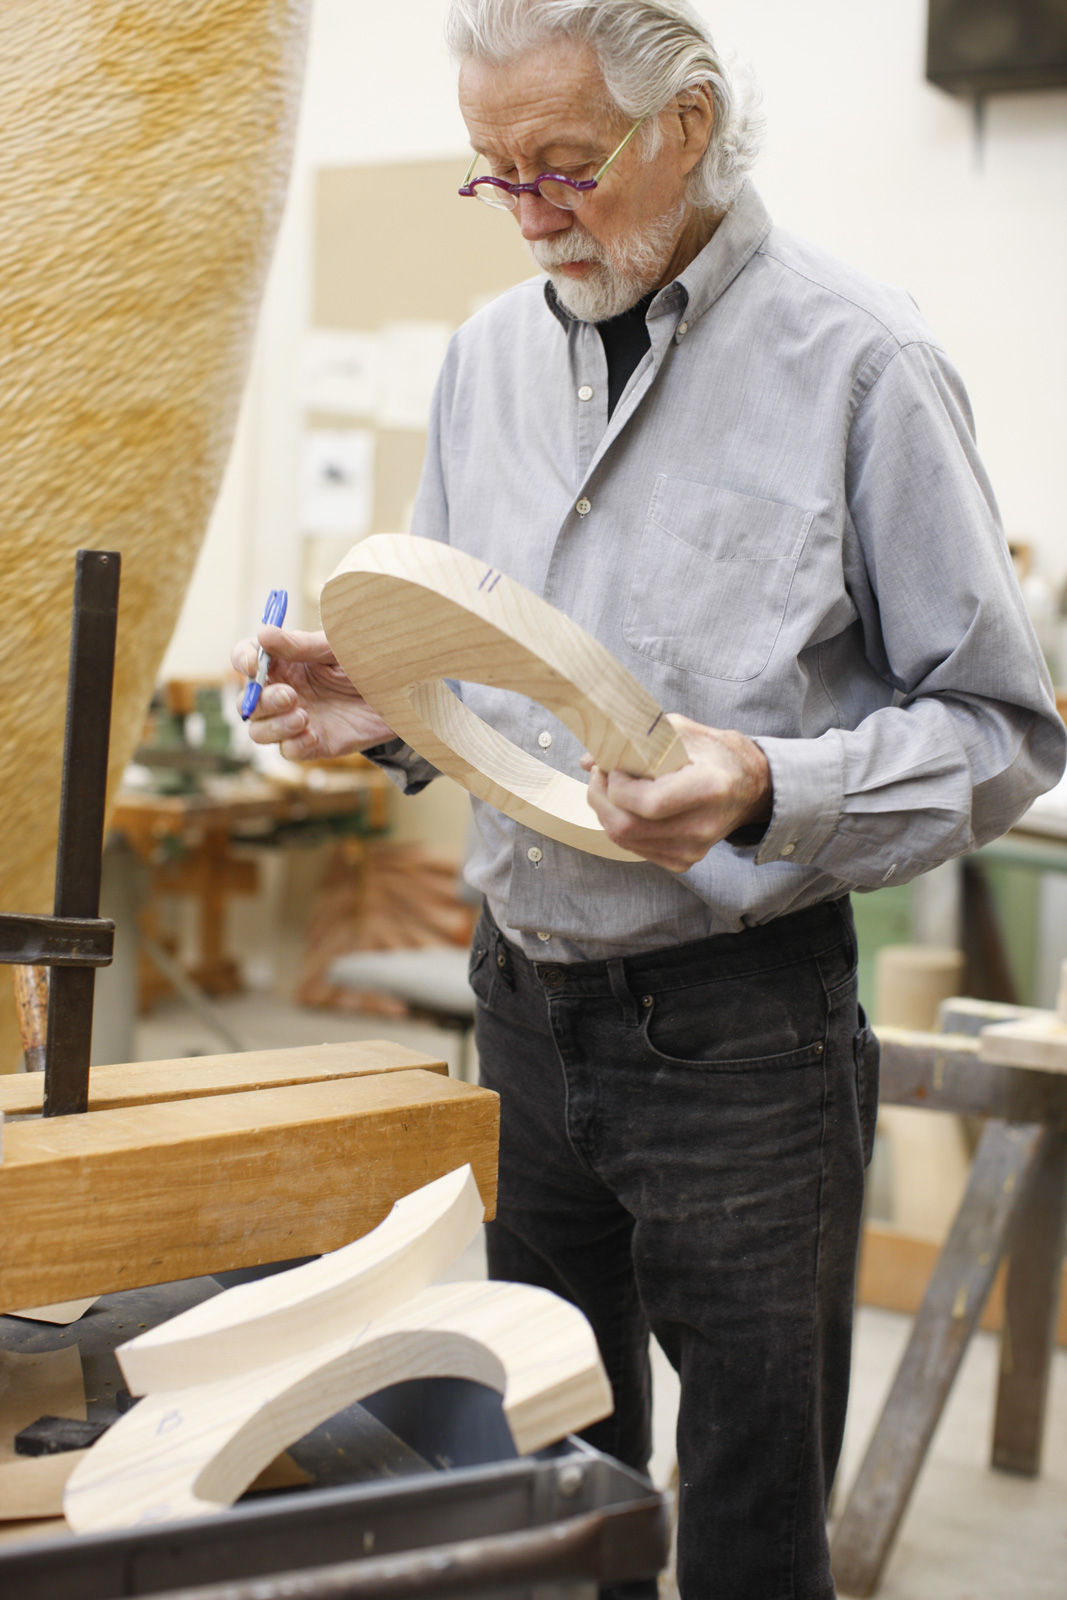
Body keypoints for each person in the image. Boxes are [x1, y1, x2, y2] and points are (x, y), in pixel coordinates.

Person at [233, 4, 1066, 1595]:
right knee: (546, 1497)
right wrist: (386, 709)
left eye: (562, 163)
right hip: (522, 1010)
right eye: (495, 176)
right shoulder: (487, 361)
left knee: (750, 1529)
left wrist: (767, 784)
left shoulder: (859, 363)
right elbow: (480, 682)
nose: (532, 208)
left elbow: (1002, 729)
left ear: (687, 123)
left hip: (744, 1038)